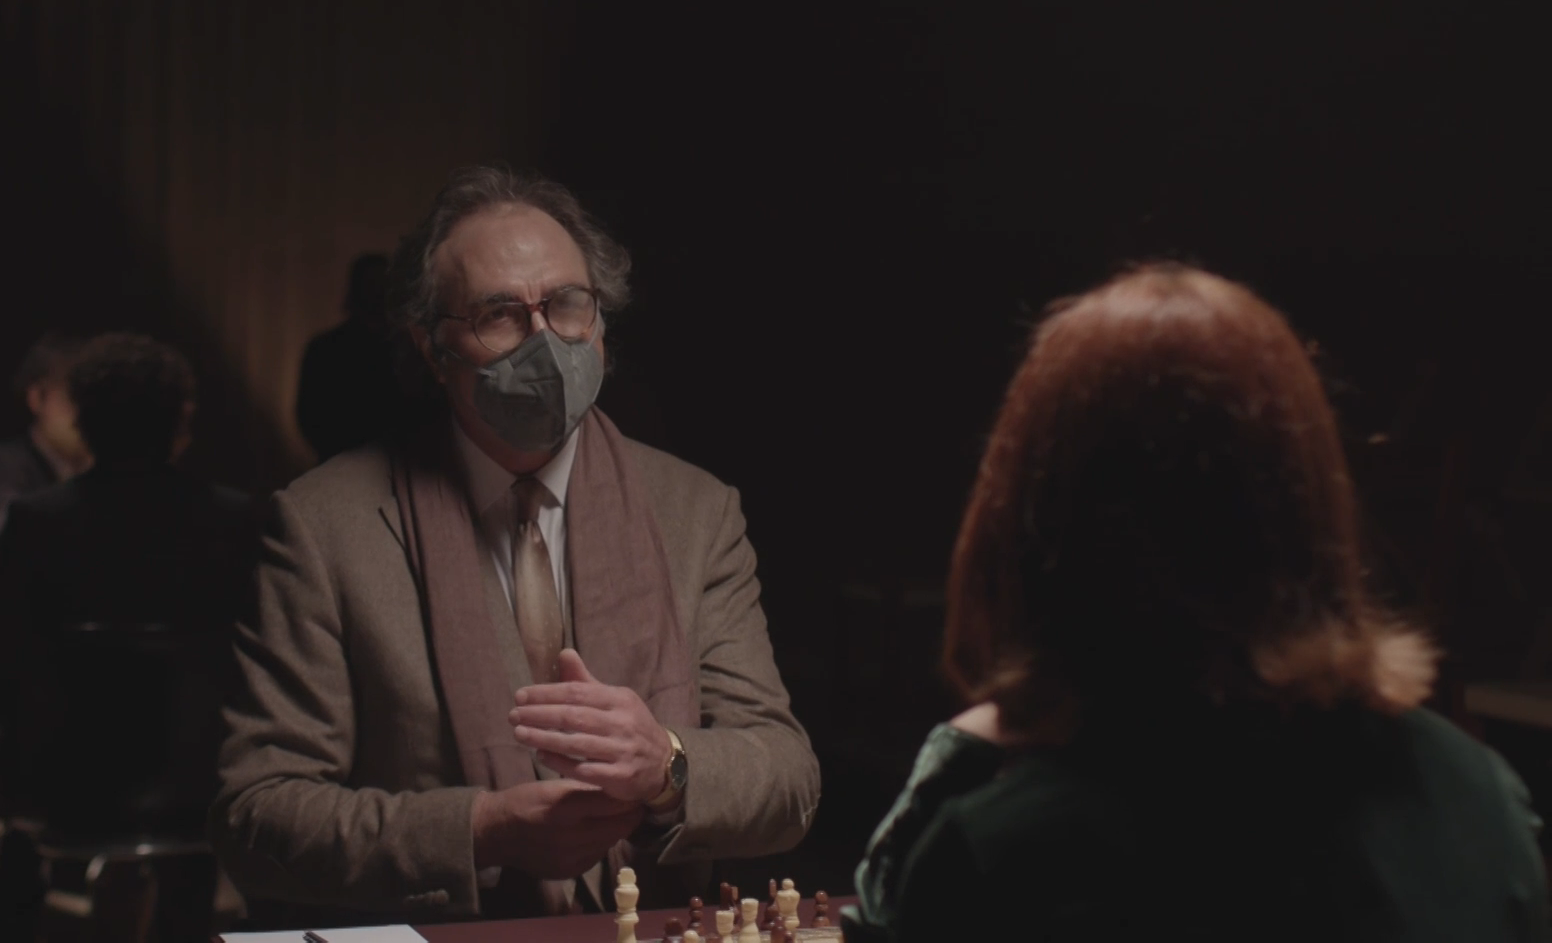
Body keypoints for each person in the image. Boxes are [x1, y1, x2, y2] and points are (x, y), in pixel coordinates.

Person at [845, 266, 1548, 942]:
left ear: (1037, 526)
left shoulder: (999, 852)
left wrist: (961, 758)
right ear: (1310, 507)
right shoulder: (1481, 799)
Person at [212, 165, 821, 927]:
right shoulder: (322, 526)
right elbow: (255, 818)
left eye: (566, 304)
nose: (544, 341)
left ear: (600, 324)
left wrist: (668, 766)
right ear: (432, 348)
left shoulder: (696, 511)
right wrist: (478, 832)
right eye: (499, 314)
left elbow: (787, 779)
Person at [0, 333, 260, 943]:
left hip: (58, 783)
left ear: (85, 420)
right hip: (200, 786)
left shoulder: (37, 522)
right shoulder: (233, 519)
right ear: (180, 424)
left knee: (6, 785)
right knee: (205, 770)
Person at [0, 331, 93, 544]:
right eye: (73, 397)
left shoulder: (103, 464)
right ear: (37, 398)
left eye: (93, 398)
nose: (85, 411)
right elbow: (15, 536)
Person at [296, 252, 409, 462]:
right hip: (340, 463)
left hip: (401, 463)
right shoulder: (326, 348)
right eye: (371, 283)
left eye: (382, 283)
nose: (377, 291)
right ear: (357, 288)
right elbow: (310, 415)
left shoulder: (408, 349)